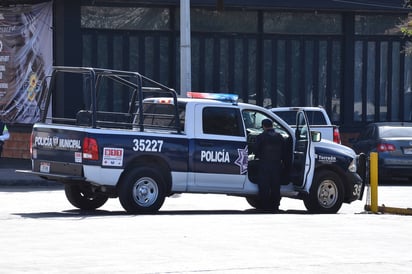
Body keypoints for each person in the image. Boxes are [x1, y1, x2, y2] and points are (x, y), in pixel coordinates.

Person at [255, 118, 285, 212]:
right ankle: (275, 205)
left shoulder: (261, 137)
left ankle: (264, 205)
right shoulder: (280, 137)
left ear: (263, 126)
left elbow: (256, 151)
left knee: (264, 185)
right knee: (275, 186)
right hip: (276, 164)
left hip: (264, 164)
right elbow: (285, 152)